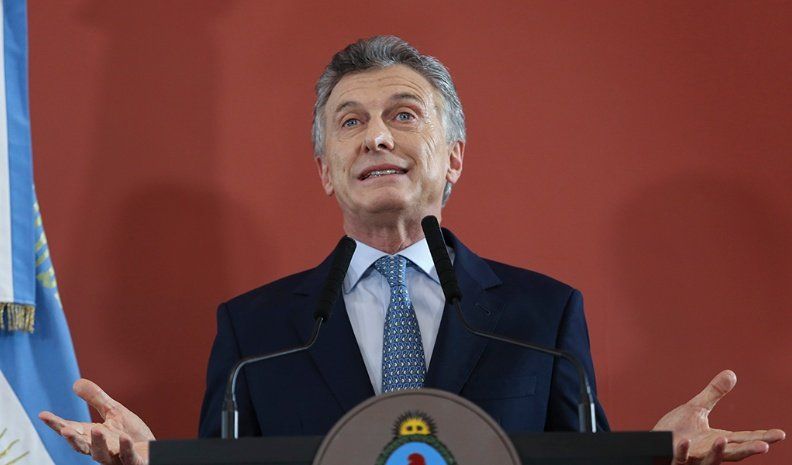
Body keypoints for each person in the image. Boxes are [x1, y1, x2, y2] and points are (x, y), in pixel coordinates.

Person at [39, 36, 784, 465]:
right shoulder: (253, 333)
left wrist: (650, 458)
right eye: (350, 122)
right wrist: (158, 464)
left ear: (453, 157)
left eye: (402, 115)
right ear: (325, 168)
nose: (377, 137)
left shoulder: (543, 317)